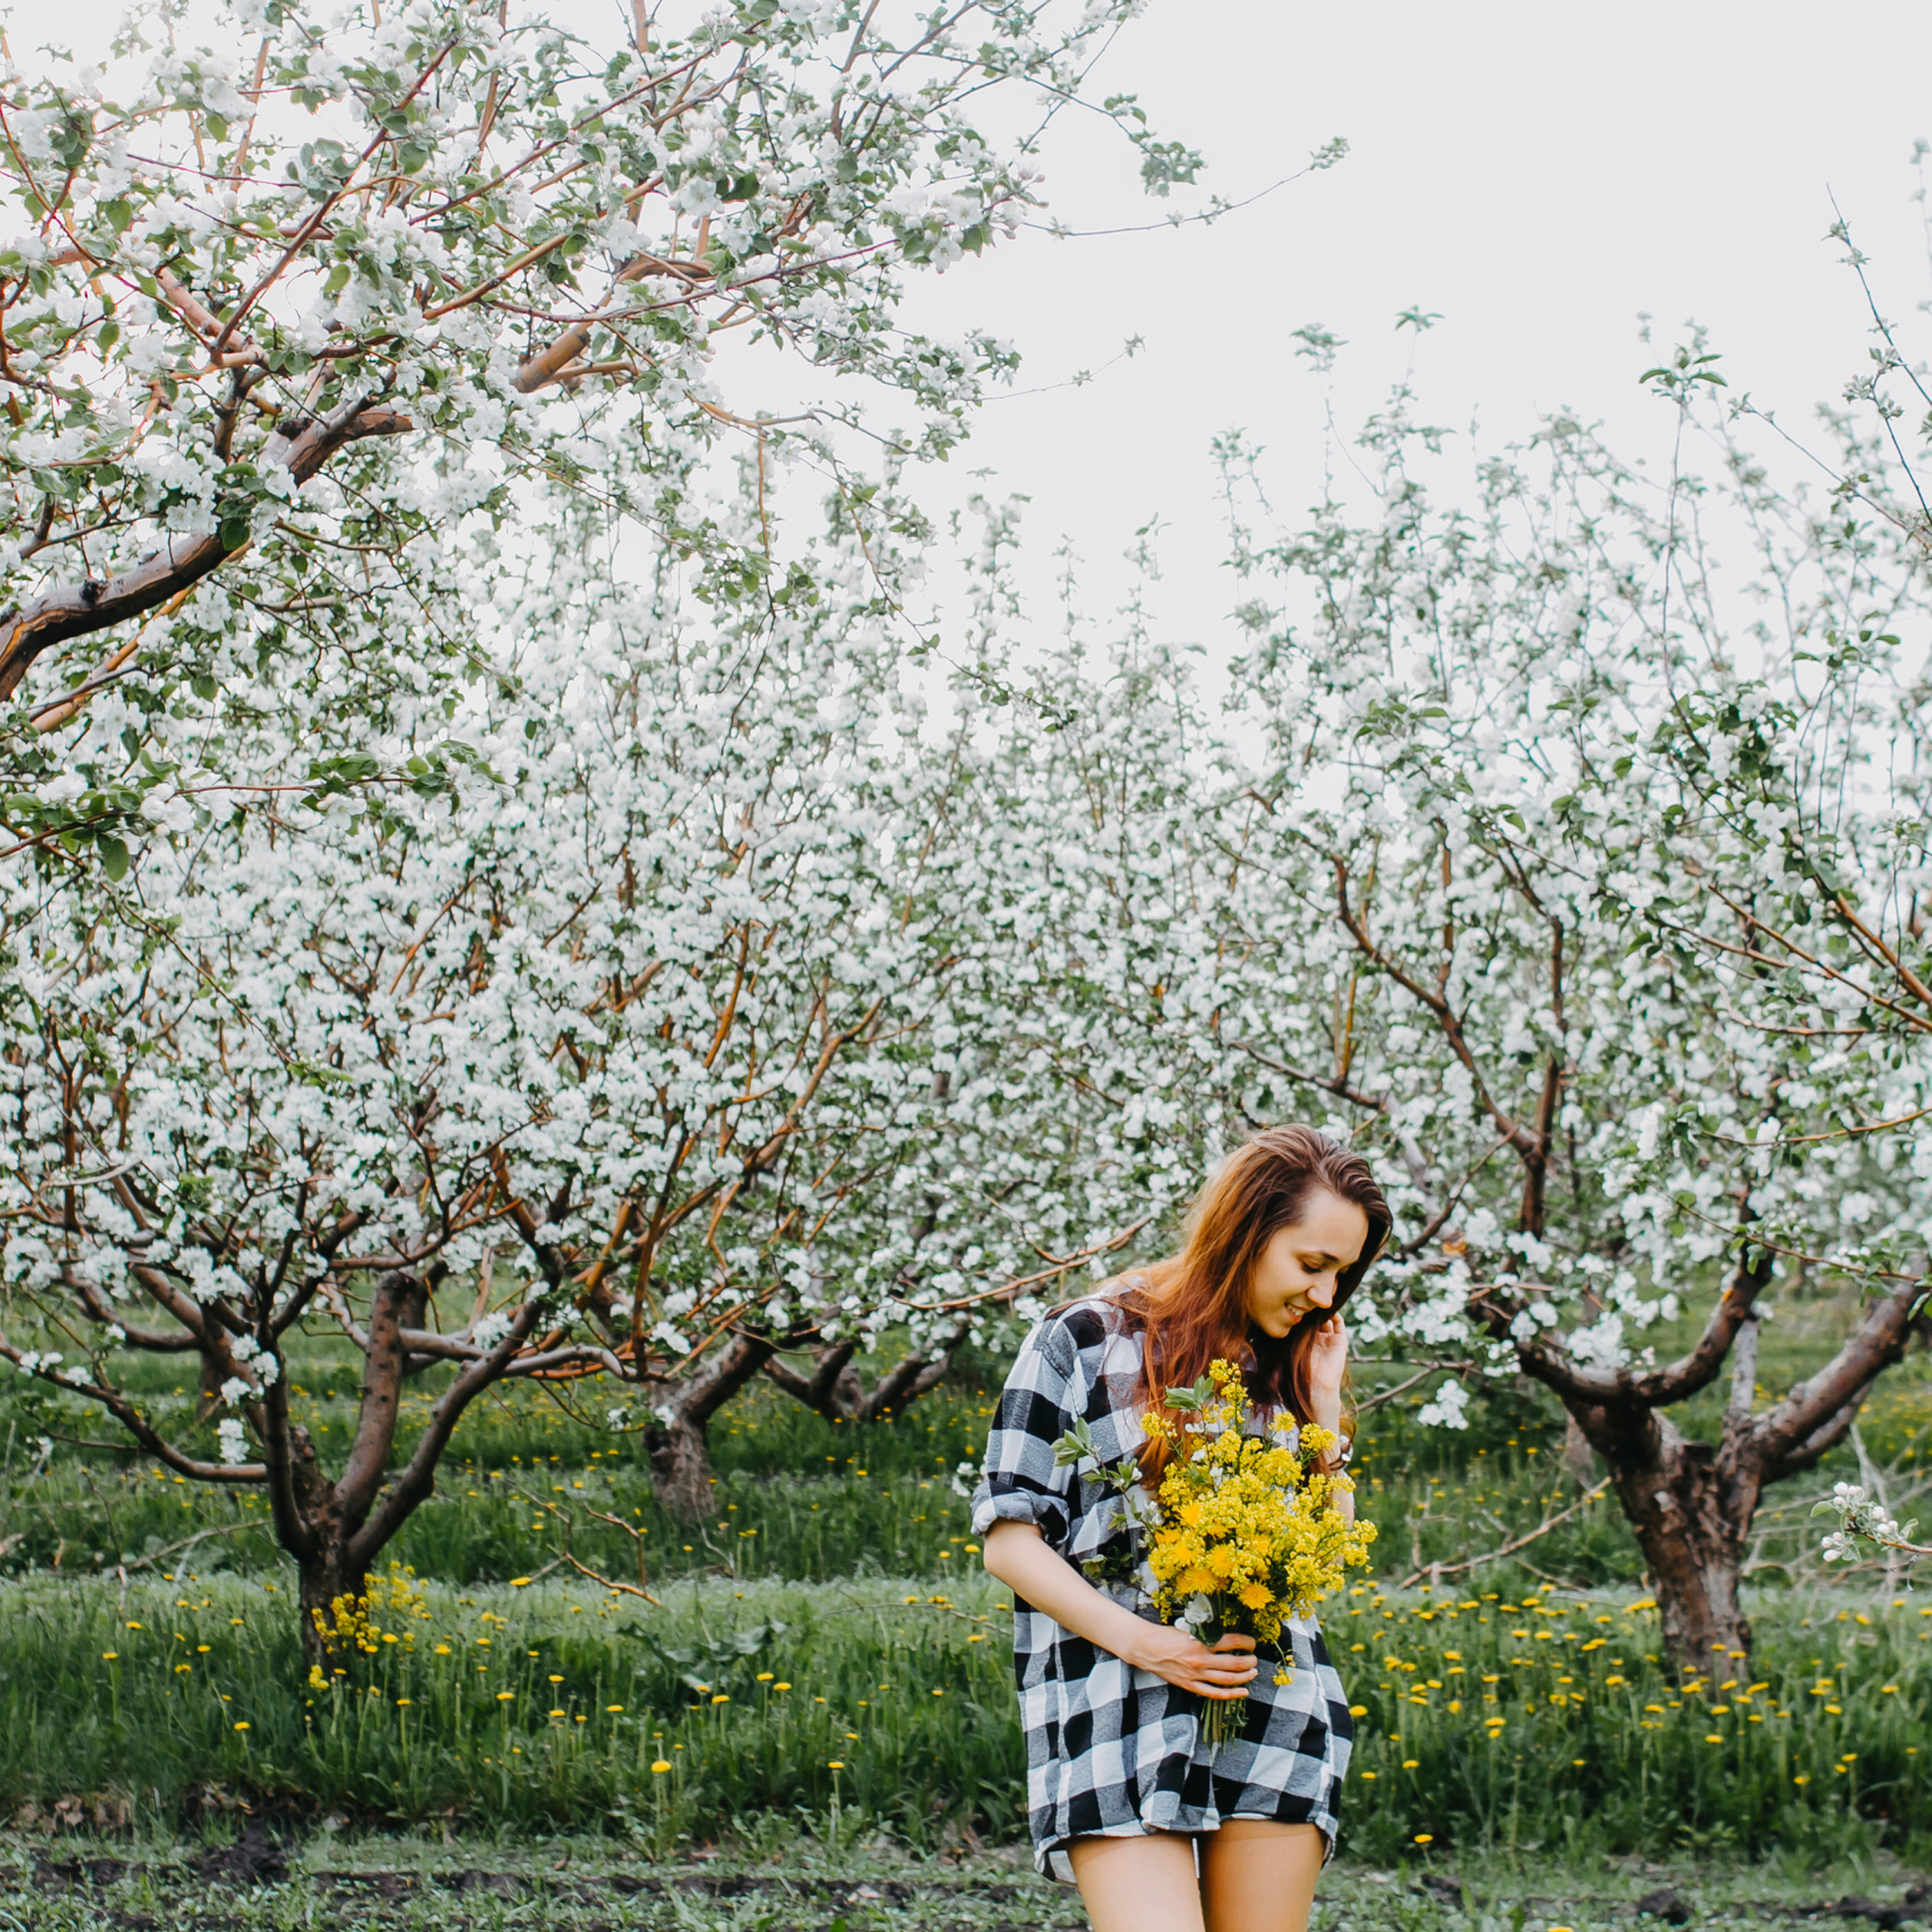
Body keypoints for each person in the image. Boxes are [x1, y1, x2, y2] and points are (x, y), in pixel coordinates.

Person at [973, 1125, 1389, 1932]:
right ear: (1244, 1232)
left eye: (1343, 1272)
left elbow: (1328, 1551)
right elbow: (1009, 1539)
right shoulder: (1083, 1339)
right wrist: (1150, 1643)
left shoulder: (1294, 1361)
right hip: (1112, 1698)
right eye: (1312, 1265)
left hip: (1267, 1701)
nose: (1327, 1297)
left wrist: (1324, 1416)